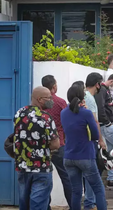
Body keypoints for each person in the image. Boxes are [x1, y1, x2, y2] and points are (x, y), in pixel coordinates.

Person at [61, 85, 107, 210]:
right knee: (98, 188)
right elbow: (95, 135)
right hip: (85, 155)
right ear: (82, 97)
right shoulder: (86, 113)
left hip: (69, 156)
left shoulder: (63, 113)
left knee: (76, 191)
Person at [14, 86, 60, 210]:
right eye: (48, 98)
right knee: (38, 204)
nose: (51, 101)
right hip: (41, 167)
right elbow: (56, 144)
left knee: (24, 202)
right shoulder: (45, 117)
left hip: (22, 166)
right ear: (39, 99)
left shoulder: (19, 113)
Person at [41, 75, 72, 210]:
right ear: (54, 86)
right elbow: (67, 123)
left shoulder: (39, 104)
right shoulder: (60, 102)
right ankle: (73, 205)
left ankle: (45, 206)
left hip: (42, 146)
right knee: (66, 178)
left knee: (43, 179)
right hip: (59, 144)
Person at [83, 73, 107, 210]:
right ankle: (90, 202)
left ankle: (89, 202)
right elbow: (95, 121)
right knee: (92, 176)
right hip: (90, 141)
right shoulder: (90, 99)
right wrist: (101, 140)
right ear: (97, 84)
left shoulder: (84, 96)